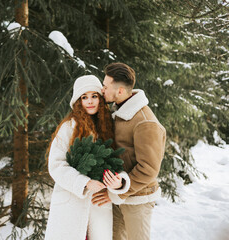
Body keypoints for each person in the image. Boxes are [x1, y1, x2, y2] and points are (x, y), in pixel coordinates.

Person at [44, 75, 130, 240]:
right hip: (72, 204)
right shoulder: (69, 127)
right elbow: (56, 165)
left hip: (99, 206)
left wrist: (120, 183)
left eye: (94, 96)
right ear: (78, 101)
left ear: (100, 99)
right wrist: (84, 182)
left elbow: (118, 161)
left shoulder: (108, 128)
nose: (90, 101)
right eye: (84, 97)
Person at [92, 63, 166, 240]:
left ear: (119, 91)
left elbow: (148, 169)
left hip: (137, 200)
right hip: (119, 196)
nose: (102, 90)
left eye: (105, 86)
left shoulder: (145, 122)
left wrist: (120, 190)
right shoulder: (118, 112)